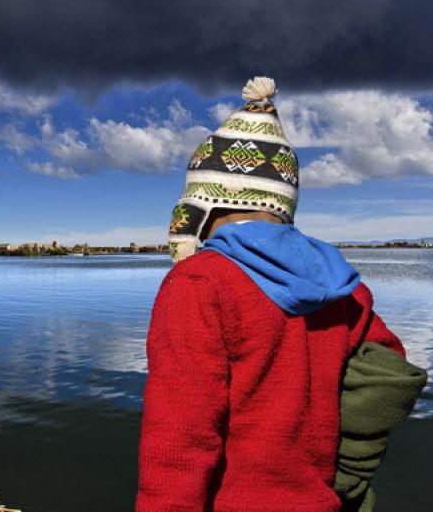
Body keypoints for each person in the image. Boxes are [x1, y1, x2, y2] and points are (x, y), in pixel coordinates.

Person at [136, 77, 406, 511]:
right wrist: (350, 473)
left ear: (200, 204)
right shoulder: (342, 285)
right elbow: (389, 375)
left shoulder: (200, 283)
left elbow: (180, 436)